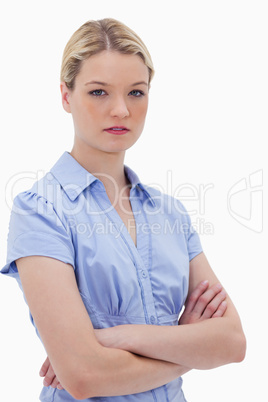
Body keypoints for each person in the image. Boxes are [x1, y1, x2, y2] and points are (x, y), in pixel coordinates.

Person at [1, 18, 246, 401]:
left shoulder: (171, 215)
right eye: (98, 92)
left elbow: (232, 342)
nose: (120, 110)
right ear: (65, 95)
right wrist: (190, 346)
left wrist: (115, 338)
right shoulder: (40, 211)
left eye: (136, 92)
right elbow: (83, 376)